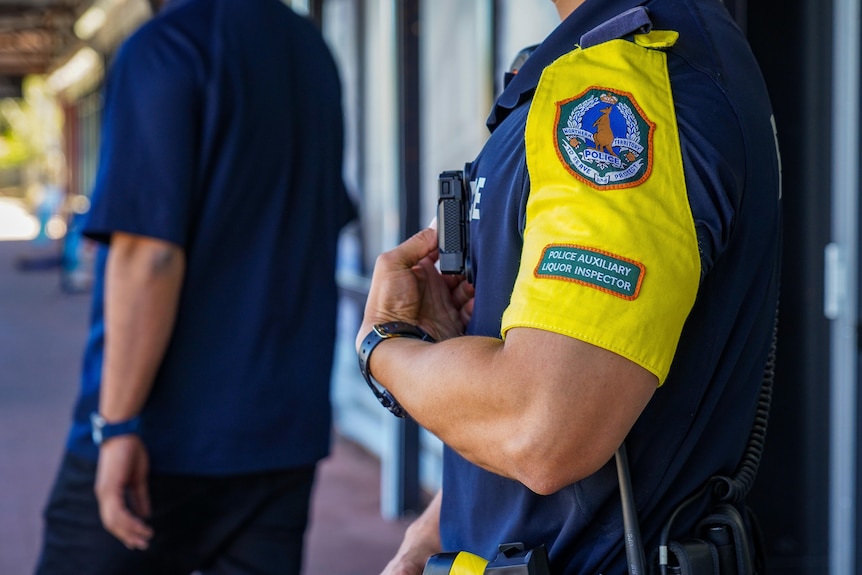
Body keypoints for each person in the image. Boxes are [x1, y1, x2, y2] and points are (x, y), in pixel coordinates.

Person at [356, 0, 781, 573]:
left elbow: (543, 428)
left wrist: (382, 347)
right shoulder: (583, 66)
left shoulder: (622, 85)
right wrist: (428, 537)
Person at [35, 0, 355, 573]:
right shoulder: (310, 52)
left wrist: (117, 424)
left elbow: (148, 254)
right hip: (282, 430)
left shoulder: (165, 48)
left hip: (163, 433)